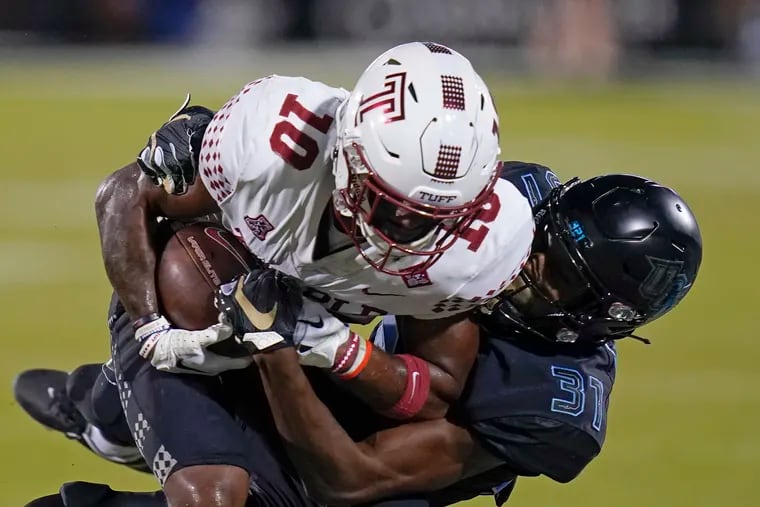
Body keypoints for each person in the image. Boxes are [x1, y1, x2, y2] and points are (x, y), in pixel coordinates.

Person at [19, 169, 702, 506]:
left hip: (363, 471)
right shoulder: (506, 198)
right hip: (332, 356)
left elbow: (353, 477)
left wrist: (280, 342)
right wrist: (214, 151)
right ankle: (110, 406)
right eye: (538, 244)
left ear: (597, 318)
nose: (521, 265)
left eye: (554, 280)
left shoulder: (553, 402)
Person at [86, 39, 538, 506]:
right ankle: (107, 408)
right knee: (214, 497)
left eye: (434, 219)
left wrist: (339, 350)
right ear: (350, 152)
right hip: (183, 314)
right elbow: (123, 193)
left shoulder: (479, 251)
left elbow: (434, 395)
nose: (407, 235)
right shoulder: (270, 145)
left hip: (286, 356)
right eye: (389, 205)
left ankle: (106, 412)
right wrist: (151, 328)